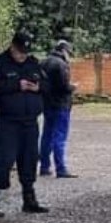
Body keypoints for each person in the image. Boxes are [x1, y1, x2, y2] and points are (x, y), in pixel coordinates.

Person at [0, 30, 50, 217]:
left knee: (29, 159)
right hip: (6, 122)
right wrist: (16, 85)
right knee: (1, 160)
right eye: (20, 51)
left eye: (25, 52)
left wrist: (38, 88)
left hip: (29, 122)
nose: (22, 55)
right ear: (12, 46)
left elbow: (48, 85)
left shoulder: (33, 63)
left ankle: (29, 199)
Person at [39, 39, 77, 178]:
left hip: (46, 103)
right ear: (64, 50)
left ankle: (44, 167)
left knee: (46, 135)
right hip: (61, 105)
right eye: (69, 52)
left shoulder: (43, 62)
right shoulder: (61, 65)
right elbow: (63, 86)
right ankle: (61, 168)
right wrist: (73, 87)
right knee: (59, 136)